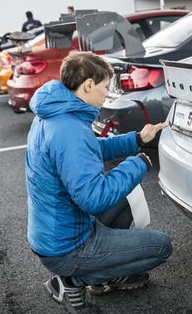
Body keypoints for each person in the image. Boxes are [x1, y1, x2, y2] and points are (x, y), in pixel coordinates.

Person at [25, 51, 172, 313]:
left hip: (56, 234)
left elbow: (91, 149)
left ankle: (101, 272)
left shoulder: (56, 114)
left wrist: (136, 139)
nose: (107, 94)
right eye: (105, 87)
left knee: (126, 200)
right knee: (161, 246)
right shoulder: (68, 130)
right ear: (88, 85)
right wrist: (137, 164)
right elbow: (93, 199)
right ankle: (72, 279)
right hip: (68, 248)